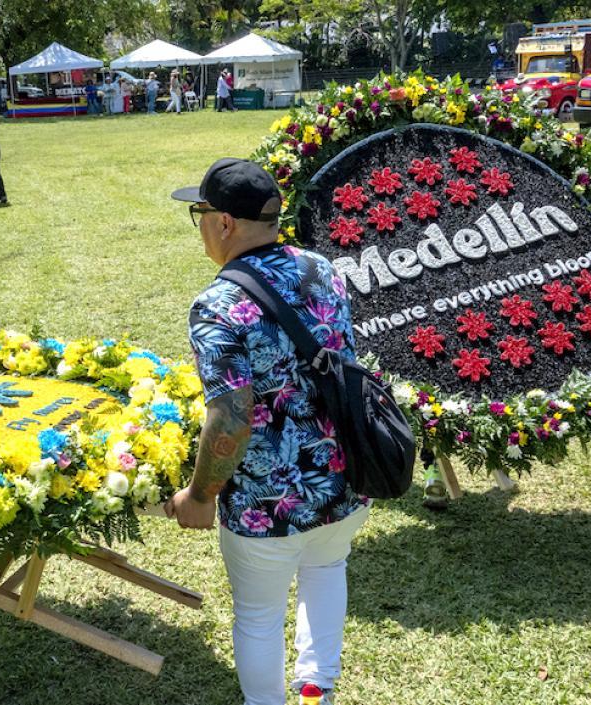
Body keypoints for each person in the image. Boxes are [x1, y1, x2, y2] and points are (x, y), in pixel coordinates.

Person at [167, 159, 368, 705]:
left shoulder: (218, 305)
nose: (201, 226)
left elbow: (232, 413)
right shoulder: (324, 268)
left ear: (225, 223)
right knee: (327, 570)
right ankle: (315, 689)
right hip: (344, 477)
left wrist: (199, 494)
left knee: (258, 616)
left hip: (265, 502)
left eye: (199, 214)